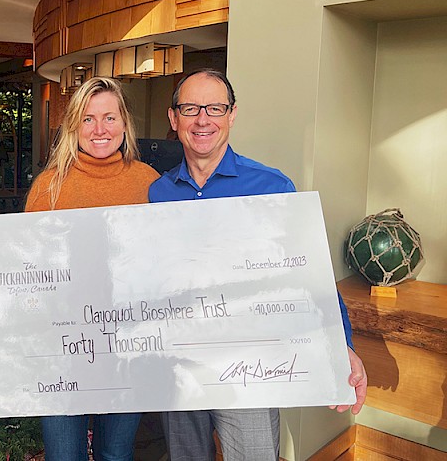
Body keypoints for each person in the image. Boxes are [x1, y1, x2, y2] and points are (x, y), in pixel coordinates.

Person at [149, 68, 368, 461]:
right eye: (190, 108)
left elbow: (309, 272)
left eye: (215, 108)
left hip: (250, 366)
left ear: (232, 115)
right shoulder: (159, 193)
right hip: (180, 364)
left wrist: (341, 344)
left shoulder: (271, 187)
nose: (203, 119)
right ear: (173, 118)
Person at [0, 76, 160, 461]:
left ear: (125, 124)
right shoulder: (49, 187)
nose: (99, 129)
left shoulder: (150, 183)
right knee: (63, 455)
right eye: (88, 119)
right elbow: (24, 274)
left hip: (128, 345)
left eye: (109, 117)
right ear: (73, 126)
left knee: (116, 455)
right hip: (59, 348)